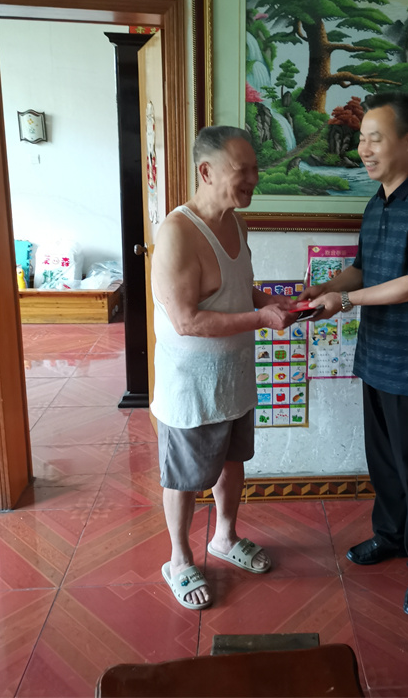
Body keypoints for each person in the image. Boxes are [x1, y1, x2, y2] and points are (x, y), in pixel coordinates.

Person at [300, 92, 408, 618]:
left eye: (376, 138)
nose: (364, 149)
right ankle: (390, 536)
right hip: (377, 356)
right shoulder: (377, 202)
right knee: (385, 461)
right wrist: (323, 290)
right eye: (362, 139)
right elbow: (364, 269)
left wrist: (345, 302)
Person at [151, 126, 294, 610]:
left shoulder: (237, 223)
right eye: (243, 170)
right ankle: (178, 558)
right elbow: (186, 320)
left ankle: (225, 537)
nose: (254, 178)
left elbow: (235, 286)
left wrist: (266, 299)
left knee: (233, 462)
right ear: (206, 171)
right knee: (184, 477)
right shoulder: (177, 232)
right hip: (190, 386)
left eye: (256, 169)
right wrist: (260, 318)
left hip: (235, 376)